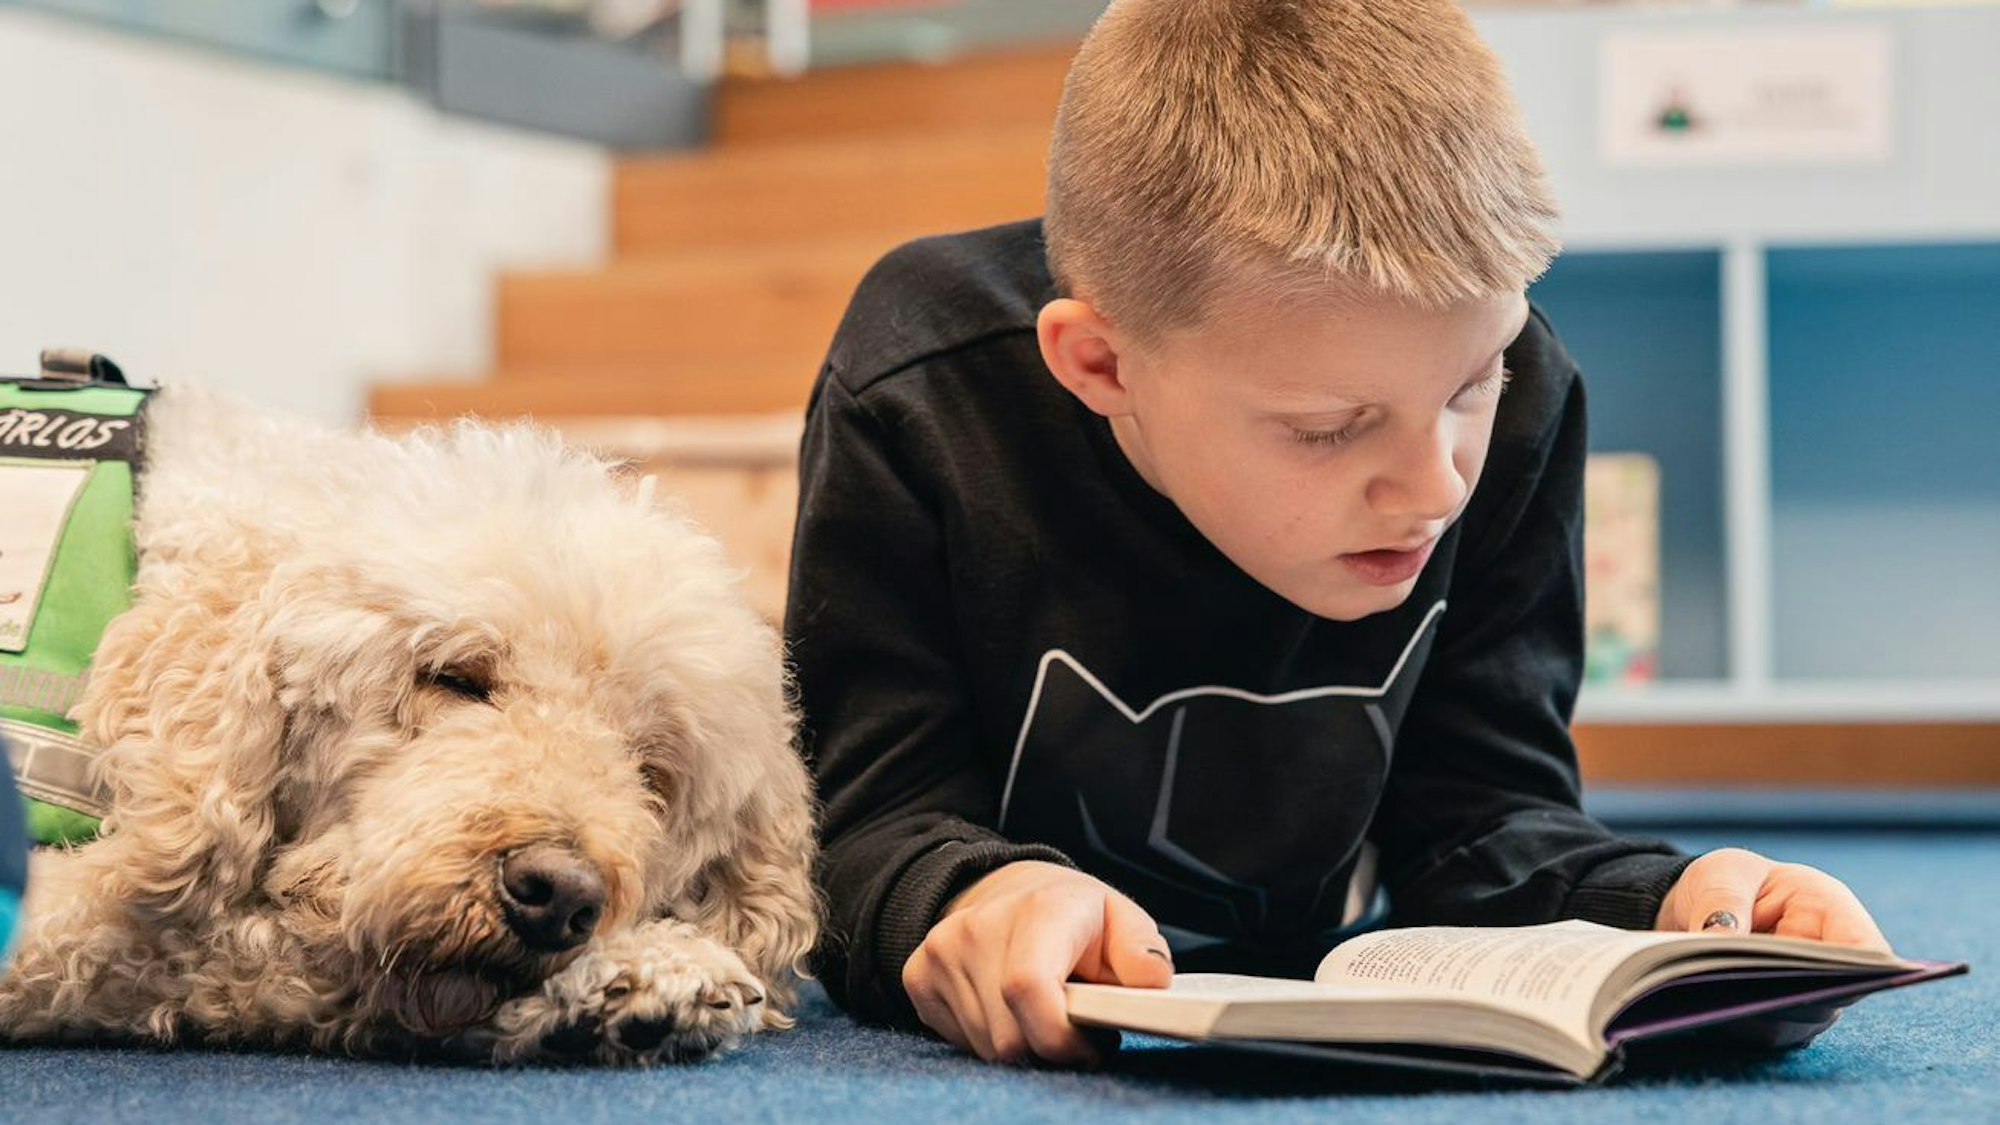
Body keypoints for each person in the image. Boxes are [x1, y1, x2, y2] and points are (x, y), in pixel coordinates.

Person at [785, 0, 1890, 1068]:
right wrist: (970, 895)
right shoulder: (921, 395)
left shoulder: (1526, 398)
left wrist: (1671, 907)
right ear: (1102, 366)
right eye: (1327, 428)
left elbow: (1482, 823)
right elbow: (866, 822)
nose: (1433, 488)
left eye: (1472, 382)